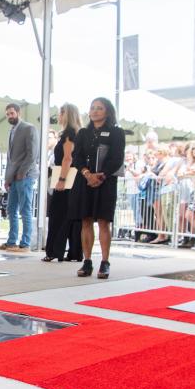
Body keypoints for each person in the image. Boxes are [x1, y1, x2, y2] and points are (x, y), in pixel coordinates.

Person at [68, 97, 125, 279]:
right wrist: (87, 174)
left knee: (103, 222)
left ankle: (105, 262)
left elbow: (116, 158)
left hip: (105, 182)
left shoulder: (116, 132)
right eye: (92, 108)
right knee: (85, 220)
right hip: (84, 181)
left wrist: (101, 175)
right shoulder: (83, 133)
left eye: (99, 108)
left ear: (107, 111)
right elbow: (76, 157)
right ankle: (87, 261)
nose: (95, 111)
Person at [43, 102, 83, 262]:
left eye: (60, 113)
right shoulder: (75, 133)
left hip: (66, 177)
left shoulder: (68, 134)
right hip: (72, 178)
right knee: (71, 216)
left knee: (58, 215)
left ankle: (54, 251)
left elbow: (68, 158)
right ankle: (73, 252)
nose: (58, 117)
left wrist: (61, 179)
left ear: (66, 115)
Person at [0, 103, 38, 253]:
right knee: (11, 209)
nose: (9, 116)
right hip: (13, 177)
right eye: (7, 114)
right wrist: (7, 179)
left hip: (25, 176)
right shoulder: (11, 130)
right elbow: (10, 158)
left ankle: (25, 243)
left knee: (25, 210)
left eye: (12, 113)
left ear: (18, 112)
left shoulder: (29, 128)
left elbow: (32, 154)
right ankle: (11, 241)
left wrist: (22, 172)